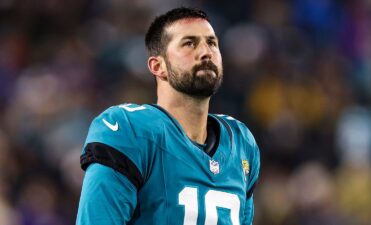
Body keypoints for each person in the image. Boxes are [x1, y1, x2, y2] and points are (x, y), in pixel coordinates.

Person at [76, 7, 260, 225]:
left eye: (211, 43)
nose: (205, 52)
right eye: (189, 43)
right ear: (158, 66)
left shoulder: (241, 142)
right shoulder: (130, 128)